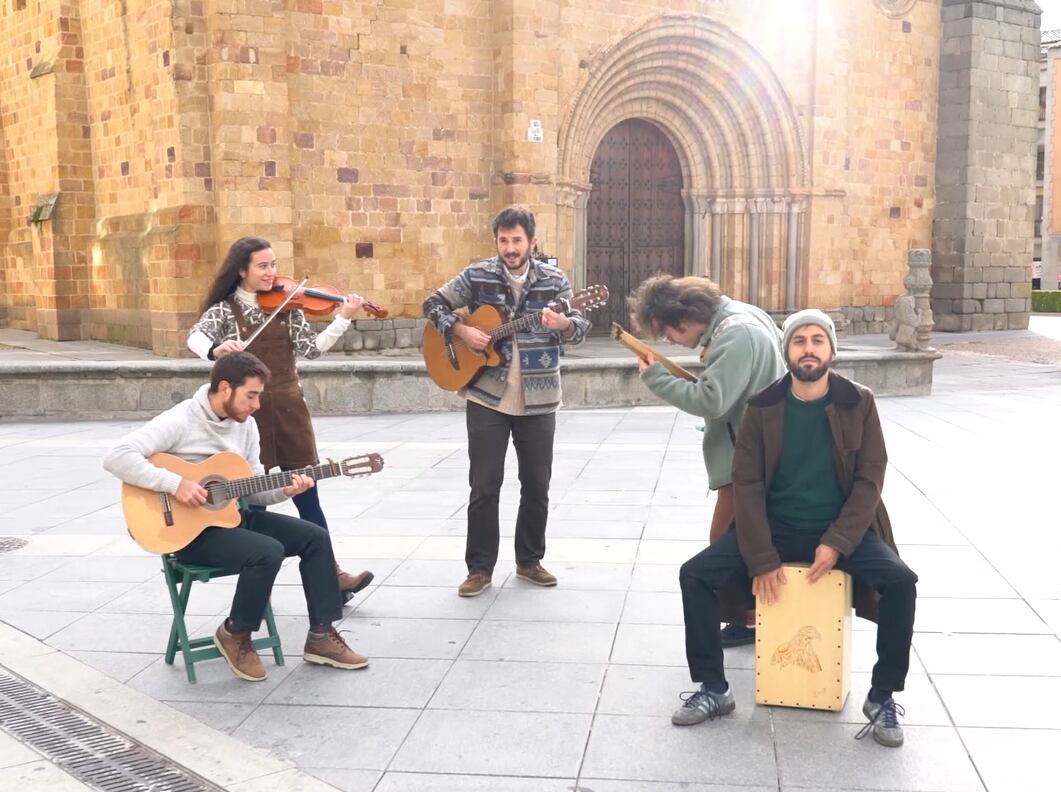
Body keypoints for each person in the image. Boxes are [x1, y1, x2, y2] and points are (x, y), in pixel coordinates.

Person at [670, 309, 918, 749]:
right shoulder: (763, 405)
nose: (808, 349)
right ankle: (714, 688)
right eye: (799, 340)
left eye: (817, 340)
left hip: (841, 529)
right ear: (787, 351)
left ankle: (882, 696)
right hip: (776, 527)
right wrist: (761, 556)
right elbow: (746, 483)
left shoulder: (858, 401)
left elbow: (870, 478)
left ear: (831, 350)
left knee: (901, 582)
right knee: (695, 575)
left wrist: (837, 542)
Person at [103, 352, 368, 681]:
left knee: (314, 536)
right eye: (251, 396)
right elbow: (116, 456)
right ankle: (235, 634)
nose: (257, 405)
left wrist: (285, 490)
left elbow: (253, 488)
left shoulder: (247, 427)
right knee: (267, 551)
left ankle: (321, 636)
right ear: (225, 388)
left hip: (230, 519)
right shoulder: (182, 419)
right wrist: (175, 484)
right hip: (187, 534)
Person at [187, 237, 372, 602]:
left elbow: (311, 350)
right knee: (253, 499)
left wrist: (343, 318)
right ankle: (258, 579)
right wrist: (215, 349)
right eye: (263, 266)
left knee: (308, 494)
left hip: (289, 410)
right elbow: (195, 336)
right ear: (242, 270)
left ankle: (331, 576)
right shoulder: (224, 311)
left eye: (273, 265)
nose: (271, 272)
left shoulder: (289, 306)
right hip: (246, 417)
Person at [423, 206, 590, 597]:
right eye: (504, 240)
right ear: (496, 241)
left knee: (536, 484)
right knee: (484, 484)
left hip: (540, 397)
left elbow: (580, 328)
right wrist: (461, 330)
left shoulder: (554, 280)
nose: (510, 248)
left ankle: (529, 562)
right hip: (486, 395)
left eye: (517, 240)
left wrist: (564, 324)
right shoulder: (477, 275)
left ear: (532, 242)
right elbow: (432, 304)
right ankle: (479, 569)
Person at [628, 274, 785, 647]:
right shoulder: (742, 314)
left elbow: (711, 400)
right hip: (759, 448)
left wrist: (656, 377)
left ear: (683, 318)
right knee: (743, 539)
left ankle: (749, 620)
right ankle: (750, 617)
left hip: (748, 459)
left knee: (725, 542)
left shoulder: (734, 335)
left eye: (667, 333)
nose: (669, 341)